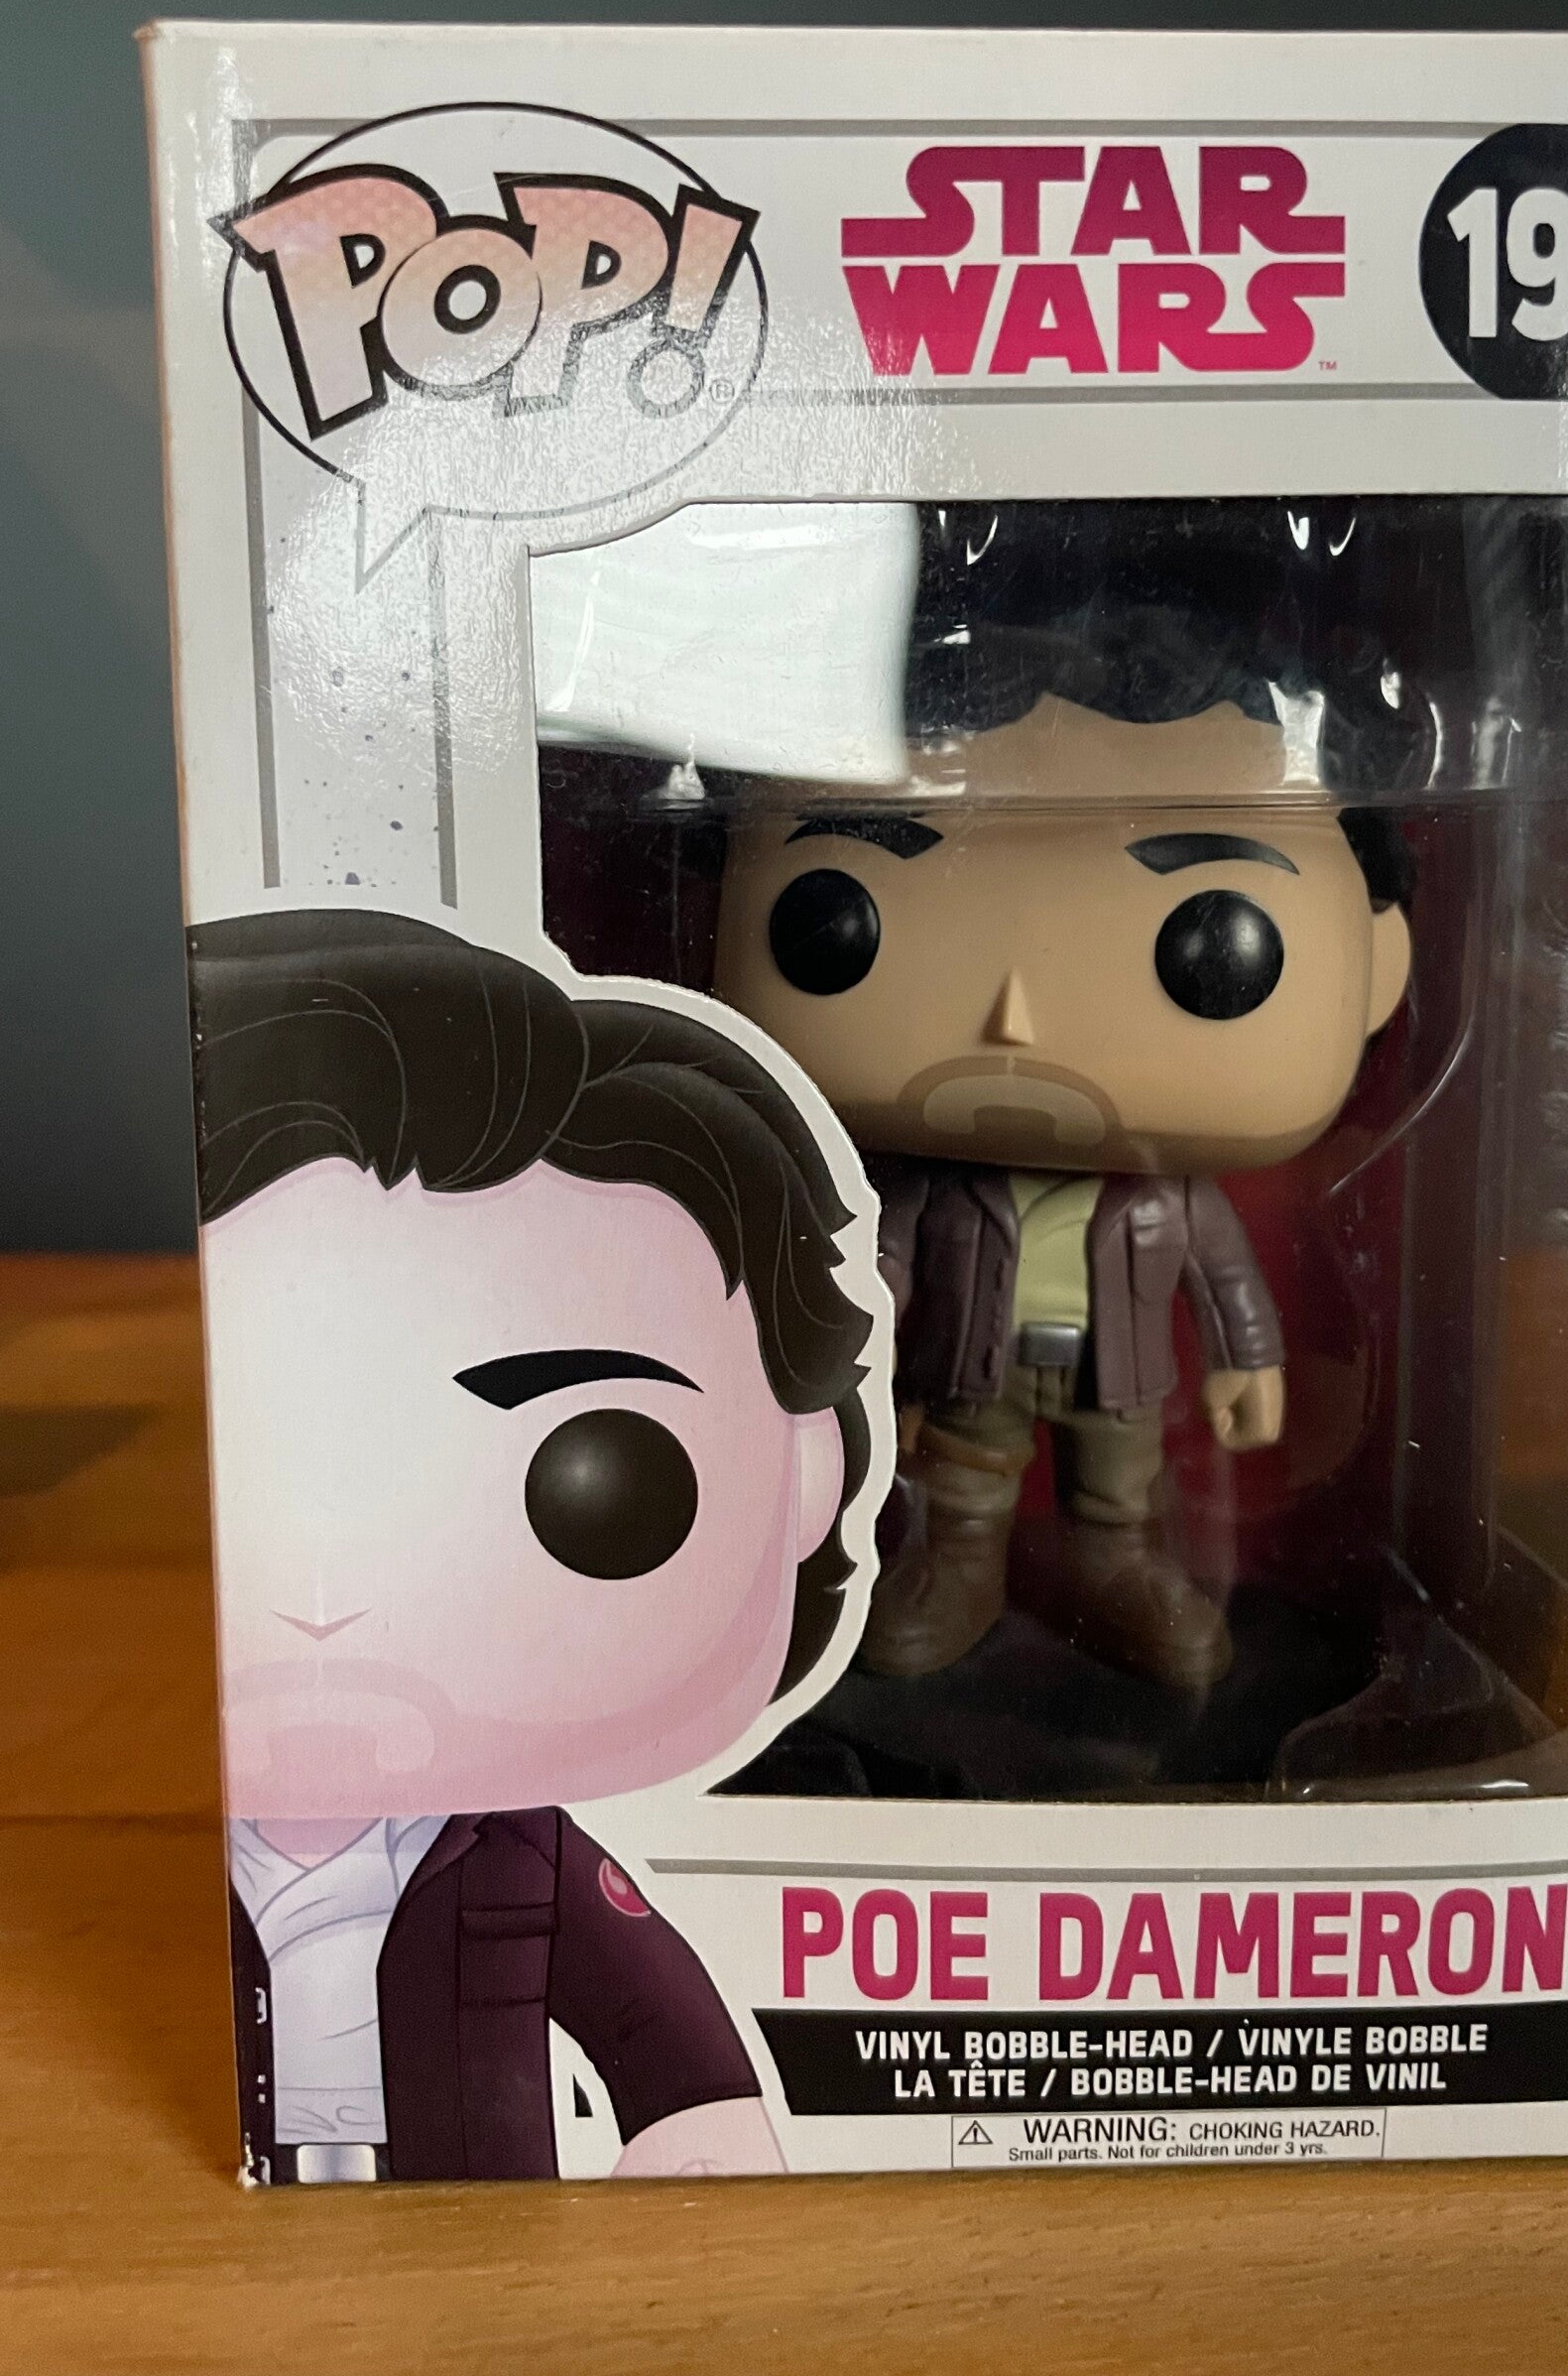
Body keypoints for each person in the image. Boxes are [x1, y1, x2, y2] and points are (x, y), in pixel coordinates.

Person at [190, 910, 876, 2184]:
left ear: (805, 1473)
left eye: (595, 1477)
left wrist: (695, 2136)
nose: (337, 1602)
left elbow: (666, 2041)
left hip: (484, 2247)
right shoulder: (163, 1850)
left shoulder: (516, 1853)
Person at [714, 500, 1417, 1692]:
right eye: (837, 922)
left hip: (1118, 1370)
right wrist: (846, 1350)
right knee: (967, 1478)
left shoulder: (1167, 1197)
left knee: (1117, 1478)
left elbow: (1226, 1276)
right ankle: (960, 1565)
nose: (1014, 1021)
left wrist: (1249, 1359)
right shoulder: (925, 1189)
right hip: (971, 1368)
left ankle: (1115, 1564)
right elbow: (878, 1265)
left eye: (1214, 945)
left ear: (1380, 962)